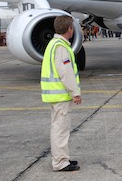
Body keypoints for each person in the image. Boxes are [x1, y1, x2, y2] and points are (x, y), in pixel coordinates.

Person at [41, 15, 82, 172]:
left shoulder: (54, 44)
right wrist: (75, 93)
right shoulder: (61, 47)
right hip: (61, 96)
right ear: (69, 29)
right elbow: (66, 73)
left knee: (59, 128)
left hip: (56, 96)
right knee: (61, 129)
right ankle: (60, 162)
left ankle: (62, 158)